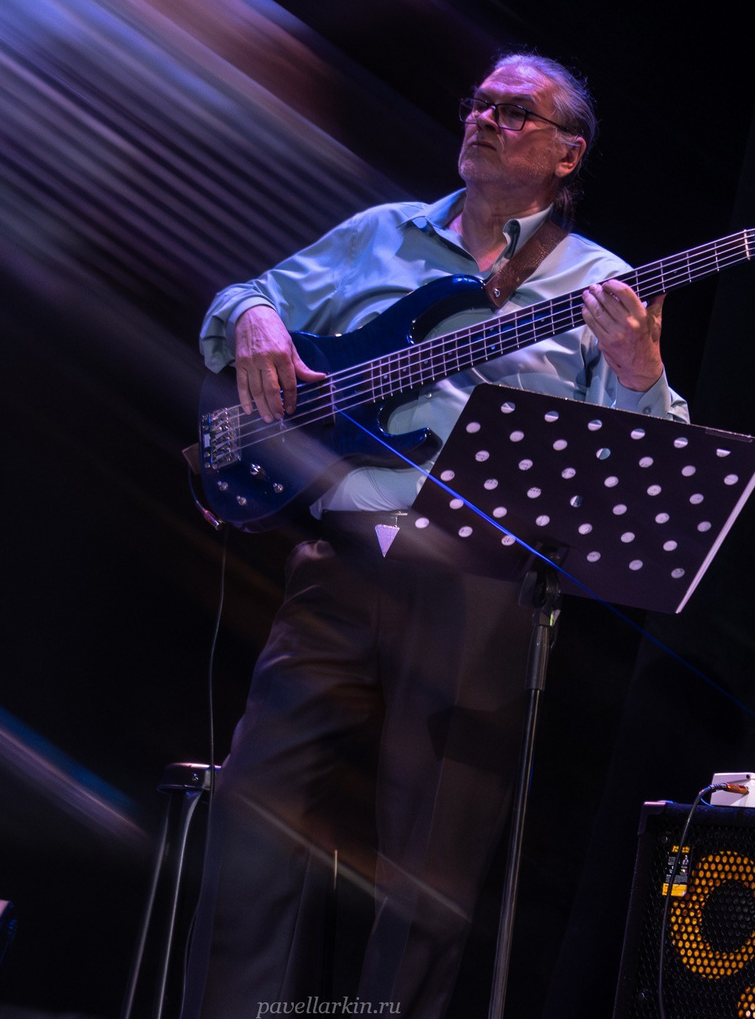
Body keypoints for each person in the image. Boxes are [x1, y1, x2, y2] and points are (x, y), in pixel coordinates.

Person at [182, 53, 689, 1019]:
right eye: (480, 104)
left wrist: (638, 370)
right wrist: (252, 317)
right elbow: (241, 298)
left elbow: (646, 462)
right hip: (340, 560)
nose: (486, 118)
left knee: (432, 871)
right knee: (251, 813)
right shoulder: (383, 233)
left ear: (567, 155)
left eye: (516, 111)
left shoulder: (602, 281)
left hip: (478, 582)